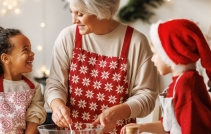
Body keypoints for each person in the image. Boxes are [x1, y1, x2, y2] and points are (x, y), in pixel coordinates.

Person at [44, 0, 159, 133]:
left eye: (80, 14)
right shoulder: (68, 37)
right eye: (72, 12)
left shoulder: (136, 42)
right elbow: (55, 83)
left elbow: (147, 96)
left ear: (100, 10)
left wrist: (117, 113)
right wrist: (57, 106)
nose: (74, 20)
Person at [120, 19, 211, 134]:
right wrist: (141, 127)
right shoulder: (179, 82)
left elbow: (192, 129)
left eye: (155, 53)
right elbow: (168, 126)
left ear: (170, 54)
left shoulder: (187, 85)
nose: (152, 59)